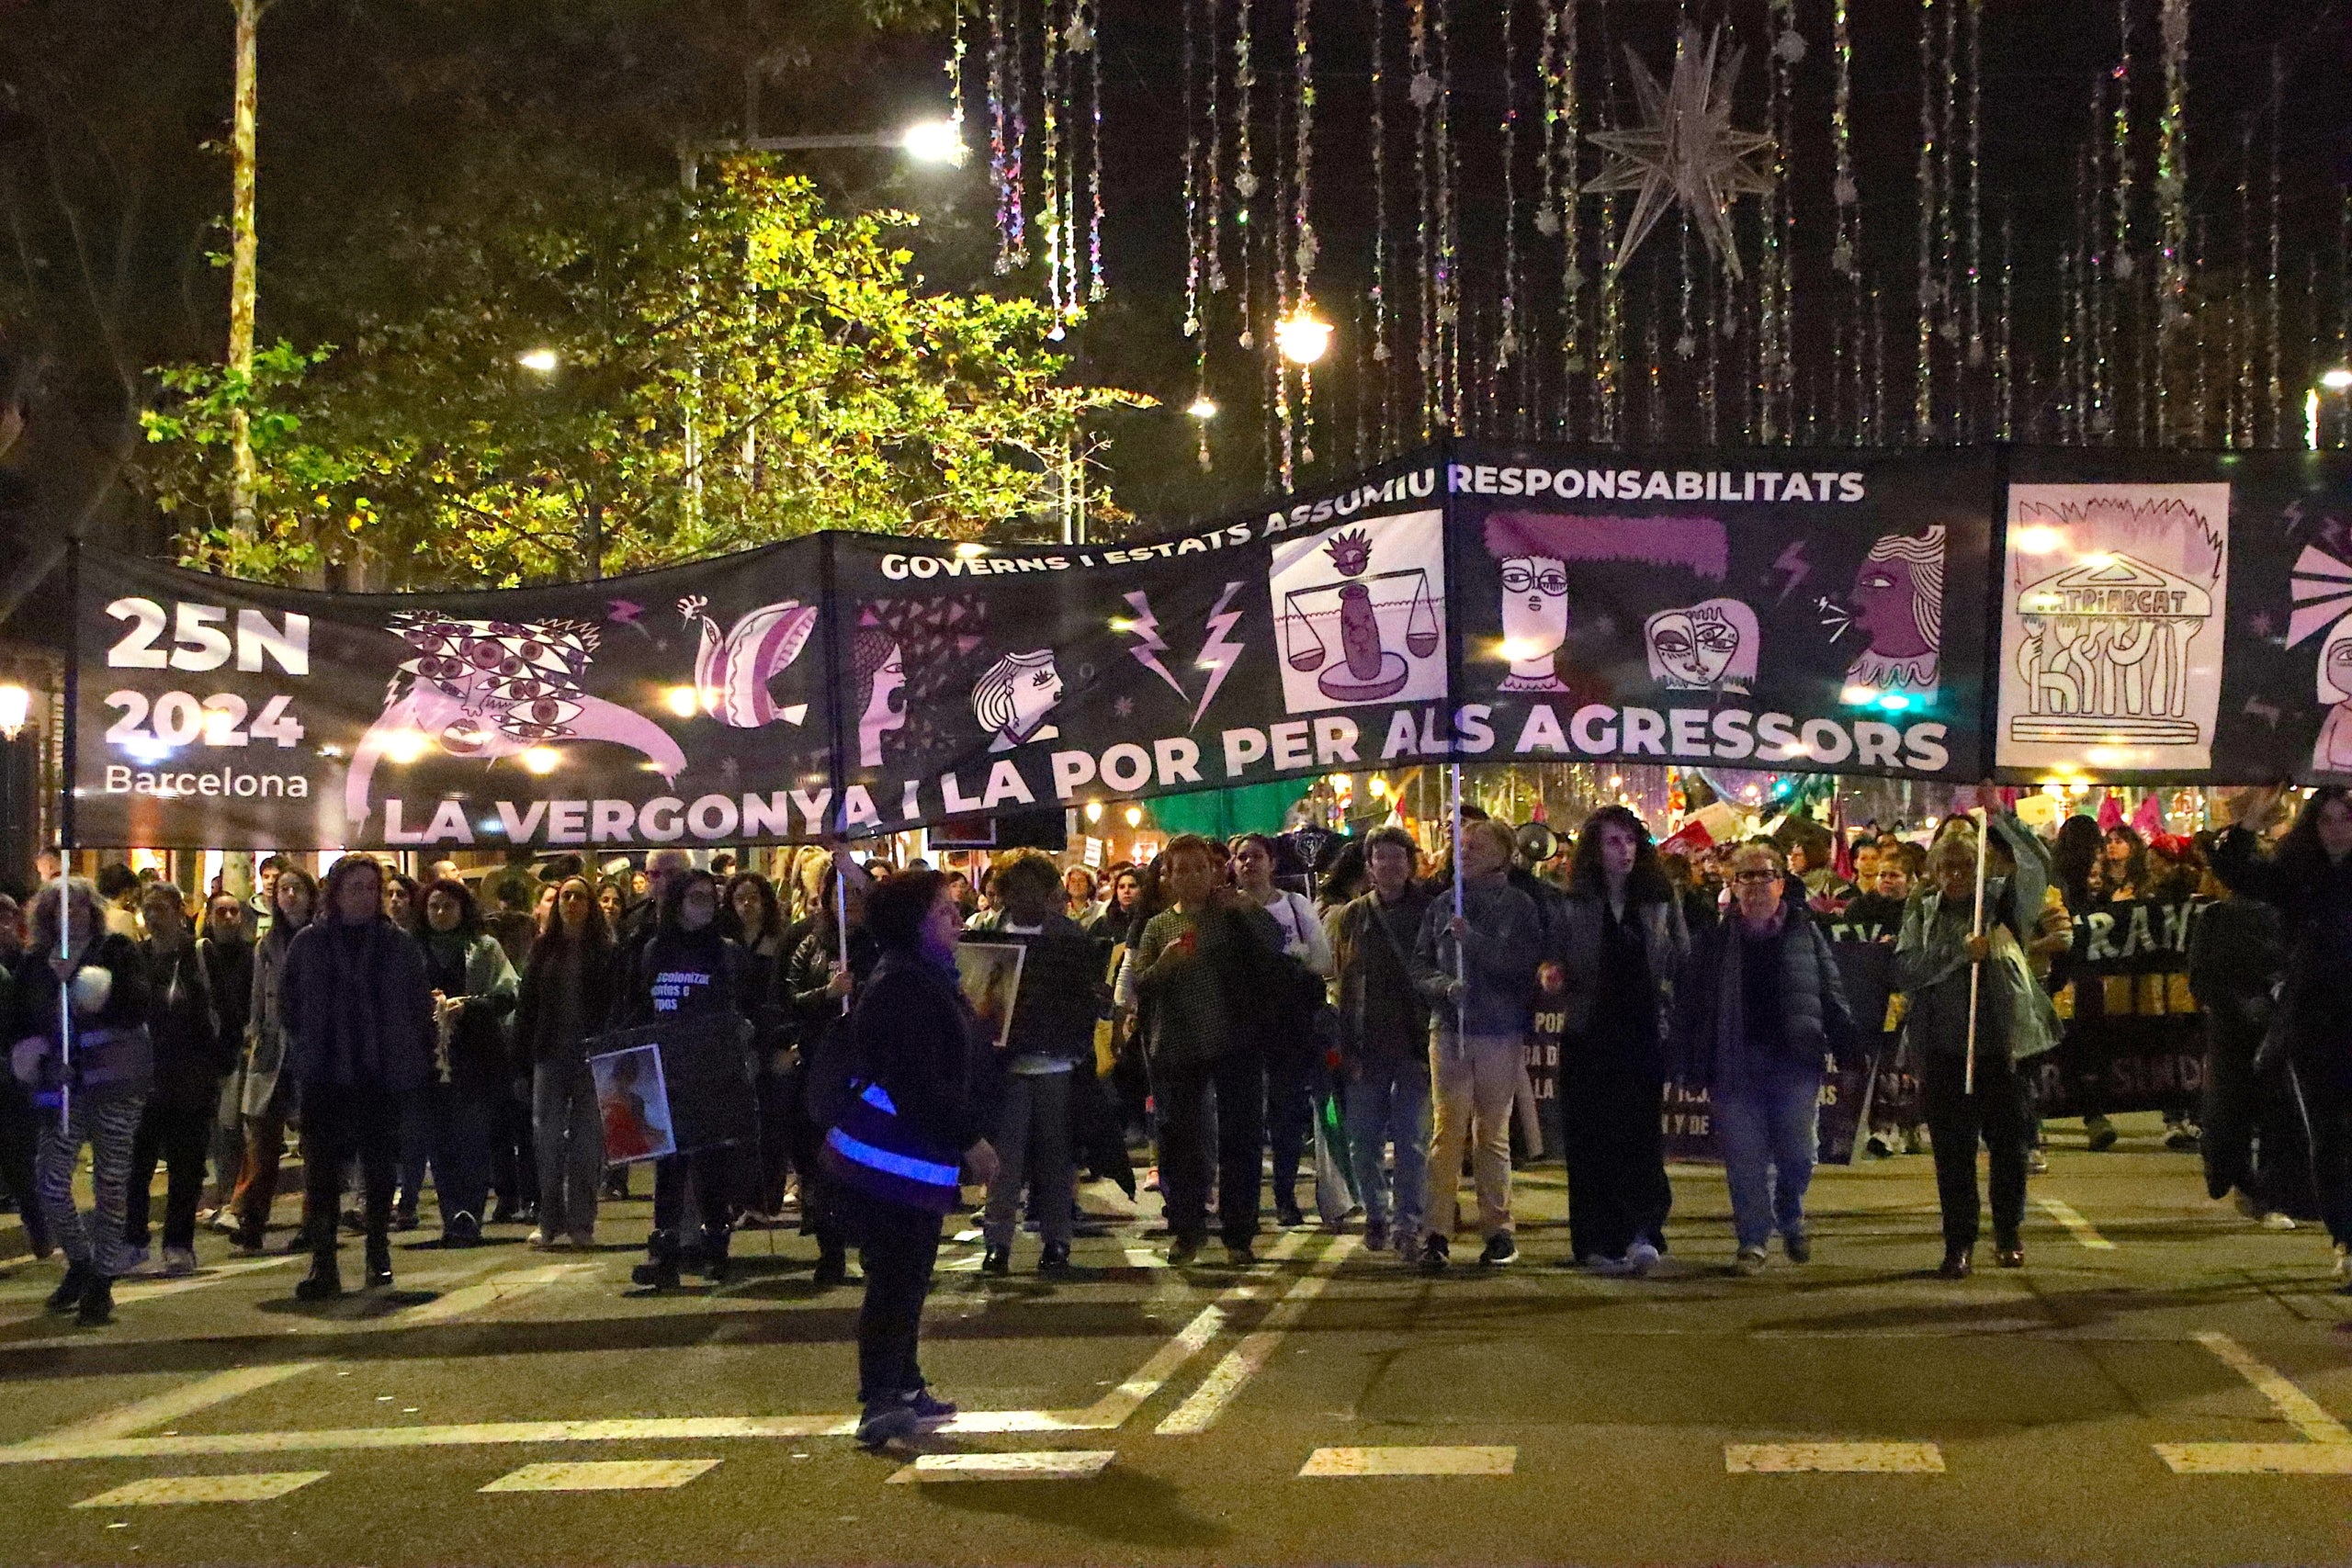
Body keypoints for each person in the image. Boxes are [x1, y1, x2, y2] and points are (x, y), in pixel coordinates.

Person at [834, 869, 998, 1448]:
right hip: (890, 1160)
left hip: (911, 1159)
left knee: (910, 1272)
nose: (957, 919)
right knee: (896, 1278)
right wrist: (970, 1140)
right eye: (943, 910)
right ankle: (880, 1398)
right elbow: (918, 1081)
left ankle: (904, 1383)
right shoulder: (902, 985)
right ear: (913, 922)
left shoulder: (924, 976)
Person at [1674, 841, 1858, 1274]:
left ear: (1781, 882)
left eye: (1765, 875)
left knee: (1799, 1153)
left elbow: (1830, 993)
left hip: (1795, 1062)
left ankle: (1789, 1209)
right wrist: (1687, 1059)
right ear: (1732, 886)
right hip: (1735, 1065)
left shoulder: (1805, 933)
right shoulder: (1714, 942)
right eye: (1746, 876)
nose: (1756, 885)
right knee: (1745, 1159)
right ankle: (1752, 1240)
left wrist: (1848, 1045)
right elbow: (1693, 1005)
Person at [1895, 802, 2057, 1278]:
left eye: (1966, 865)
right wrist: (1955, 954)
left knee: (2008, 1148)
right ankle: (1958, 1242)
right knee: (1953, 1153)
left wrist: (2002, 818)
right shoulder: (1922, 912)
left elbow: (2037, 865)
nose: (1956, 876)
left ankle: (2007, 1232)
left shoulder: (2001, 902)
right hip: (1944, 1051)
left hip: (2000, 1050)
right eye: (1946, 868)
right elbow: (1905, 968)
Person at [2211, 784, 2352, 1288]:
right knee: (2330, 1137)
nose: (2337, 829)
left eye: (2345, 818)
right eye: (2327, 819)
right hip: (2315, 1021)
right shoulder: (2299, 875)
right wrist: (2248, 825)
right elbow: (2236, 872)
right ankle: (2344, 1237)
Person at [281, 853, 434, 1299]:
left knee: (380, 1167)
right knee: (323, 1172)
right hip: (326, 1073)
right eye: (356, 888)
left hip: (379, 1072)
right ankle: (324, 1262)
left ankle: (378, 1252)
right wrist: (307, 1048)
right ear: (335, 893)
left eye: (372, 888)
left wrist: (409, 1056)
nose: (366, 897)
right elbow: (289, 1005)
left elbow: (417, 1005)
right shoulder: (309, 944)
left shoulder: (397, 944)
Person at [1131, 834, 1284, 1267]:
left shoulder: (1233, 913)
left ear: (1215, 870)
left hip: (1236, 1039)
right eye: (1182, 870)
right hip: (1178, 1044)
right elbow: (1139, 985)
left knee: (1241, 1138)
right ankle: (1186, 1227)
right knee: (1180, 1139)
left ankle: (1239, 1233)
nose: (1193, 877)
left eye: (1201, 867)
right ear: (1168, 877)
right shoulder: (1159, 925)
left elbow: (1275, 944)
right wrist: (1164, 964)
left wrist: (1249, 909)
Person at [1552, 806, 1690, 1274]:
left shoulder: (1658, 899)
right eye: (1613, 841)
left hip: (1642, 1030)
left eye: (1630, 840)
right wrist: (1550, 971)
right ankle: (1595, 1238)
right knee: (1591, 1136)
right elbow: (1553, 954)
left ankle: (1643, 1230)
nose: (1624, 850)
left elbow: (1680, 957)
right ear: (1594, 848)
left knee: (1640, 1135)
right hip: (1588, 1033)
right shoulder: (1572, 901)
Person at [9, 877, 150, 1325]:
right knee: (50, 1181)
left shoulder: (117, 952)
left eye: (77, 905)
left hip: (115, 1082)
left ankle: (102, 1281)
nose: (69, 913)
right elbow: (18, 1022)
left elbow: (135, 1007)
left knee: (111, 1183)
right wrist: (41, 1058)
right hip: (61, 1084)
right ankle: (82, 1262)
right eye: (58, 907)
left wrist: (90, 987)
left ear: (92, 910)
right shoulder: (34, 964)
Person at [1409, 818, 1544, 1271]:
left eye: (1479, 846)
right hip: (1449, 1031)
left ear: (1504, 854)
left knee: (1492, 1132)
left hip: (1498, 1032)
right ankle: (1436, 1231)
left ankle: (1499, 1228)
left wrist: (1476, 943)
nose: (1467, 852)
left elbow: (1520, 967)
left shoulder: (1519, 906)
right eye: (1462, 845)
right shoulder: (1443, 904)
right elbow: (1421, 965)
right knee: (1446, 1133)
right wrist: (1445, 988)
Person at [622, 867, 751, 1290]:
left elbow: (746, 1004)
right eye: (696, 898)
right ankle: (665, 1253)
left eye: (709, 899)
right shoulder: (654, 951)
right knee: (669, 1165)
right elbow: (640, 1006)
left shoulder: (726, 952)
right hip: (666, 1070)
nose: (705, 906)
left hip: (712, 1070)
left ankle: (715, 1247)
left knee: (712, 1161)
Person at [1328, 827, 1433, 1258]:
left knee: (1412, 1140)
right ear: (1369, 866)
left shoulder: (1430, 910)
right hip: (1365, 1043)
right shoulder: (1352, 916)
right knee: (1362, 1139)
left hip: (1415, 1042)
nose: (1389, 865)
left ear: (1410, 863)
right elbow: (1341, 979)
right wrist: (1343, 1045)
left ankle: (1410, 1222)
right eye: (1380, 858)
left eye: (1397, 857)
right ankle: (1376, 1211)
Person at [2187, 849, 2304, 1231]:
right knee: (2228, 1114)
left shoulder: (2287, 919)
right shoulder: (2214, 919)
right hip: (2231, 1029)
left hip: (2279, 1028)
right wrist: (2237, 1003)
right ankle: (2243, 1182)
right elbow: (2201, 979)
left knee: (2280, 1114)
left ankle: (2271, 1195)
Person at [1230, 832, 1336, 1229]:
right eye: (1240, 857)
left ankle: (1286, 1196)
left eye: (1255, 856)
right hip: (1241, 1025)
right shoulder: (1228, 908)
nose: (1247, 864)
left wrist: (1282, 956)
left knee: (1286, 1115)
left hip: (1289, 1025)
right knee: (1244, 1120)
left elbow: (1323, 959)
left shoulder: (1295, 905)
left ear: (1272, 863)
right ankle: (1246, 1201)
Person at [124, 883, 229, 1277]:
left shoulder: (199, 954)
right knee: (137, 1166)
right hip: (146, 1080)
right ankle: (133, 1241)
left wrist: (218, 1066)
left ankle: (178, 1244)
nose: (152, 917)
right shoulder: (137, 958)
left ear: (179, 911)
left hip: (191, 1080)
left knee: (185, 1169)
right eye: (147, 909)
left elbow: (225, 1012)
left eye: (160, 908)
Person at [781, 860, 876, 1287]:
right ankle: (830, 1247)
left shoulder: (877, 944)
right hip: (823, 1061)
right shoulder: (807, 942)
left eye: (856, 895)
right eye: (841, 895)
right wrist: (827, 993)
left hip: (868, 1060)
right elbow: (790, 997)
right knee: (822, 1158)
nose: (849, 904)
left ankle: (872, 1241)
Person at [412, 877, 518, 1246]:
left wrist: (469, 1005)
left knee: (473, 1138)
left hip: (475, 1056)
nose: (441, 913)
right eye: (434, 906)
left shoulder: (484, 948)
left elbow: (508, 993)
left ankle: (470, 1211)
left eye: (448, 906)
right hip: (428, 1059)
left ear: (462, 909)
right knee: (439, 1140)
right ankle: (451, 1213)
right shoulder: (413, 949)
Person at [515, 876, 618, 1247]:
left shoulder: (606, 951)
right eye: (565, 895)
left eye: (579, 896)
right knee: (546, 1139)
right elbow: (527, 1006)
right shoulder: (543, 949)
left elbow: (615, 1004)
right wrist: (521, 1061)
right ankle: (549, 1220)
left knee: (587, 1141)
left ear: (590, 906)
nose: (571, 902)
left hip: (592, 1056)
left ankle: (581, 1223)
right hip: (549, 1053)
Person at [230, 868, 315, 1250]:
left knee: (314, 1142)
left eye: (297, 888)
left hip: (312, 1046)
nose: (290, 895)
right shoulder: (268, 943)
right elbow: (257, 998)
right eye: (284, 890)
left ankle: (314, 1223)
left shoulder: (321, 938)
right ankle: (251, 1219)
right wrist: (254, 1037)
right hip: (272, 1047)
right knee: (261, 1138)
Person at [196, 892, 254, 1231]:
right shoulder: (201, 954)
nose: (229, 917)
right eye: (222, 912)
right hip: (210, 1054)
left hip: (242, 1050)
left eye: (235, 911)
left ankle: (238, 1199)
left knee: (237, 1130)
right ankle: (228, 1196)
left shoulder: (251, 955)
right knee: (221, 1131)